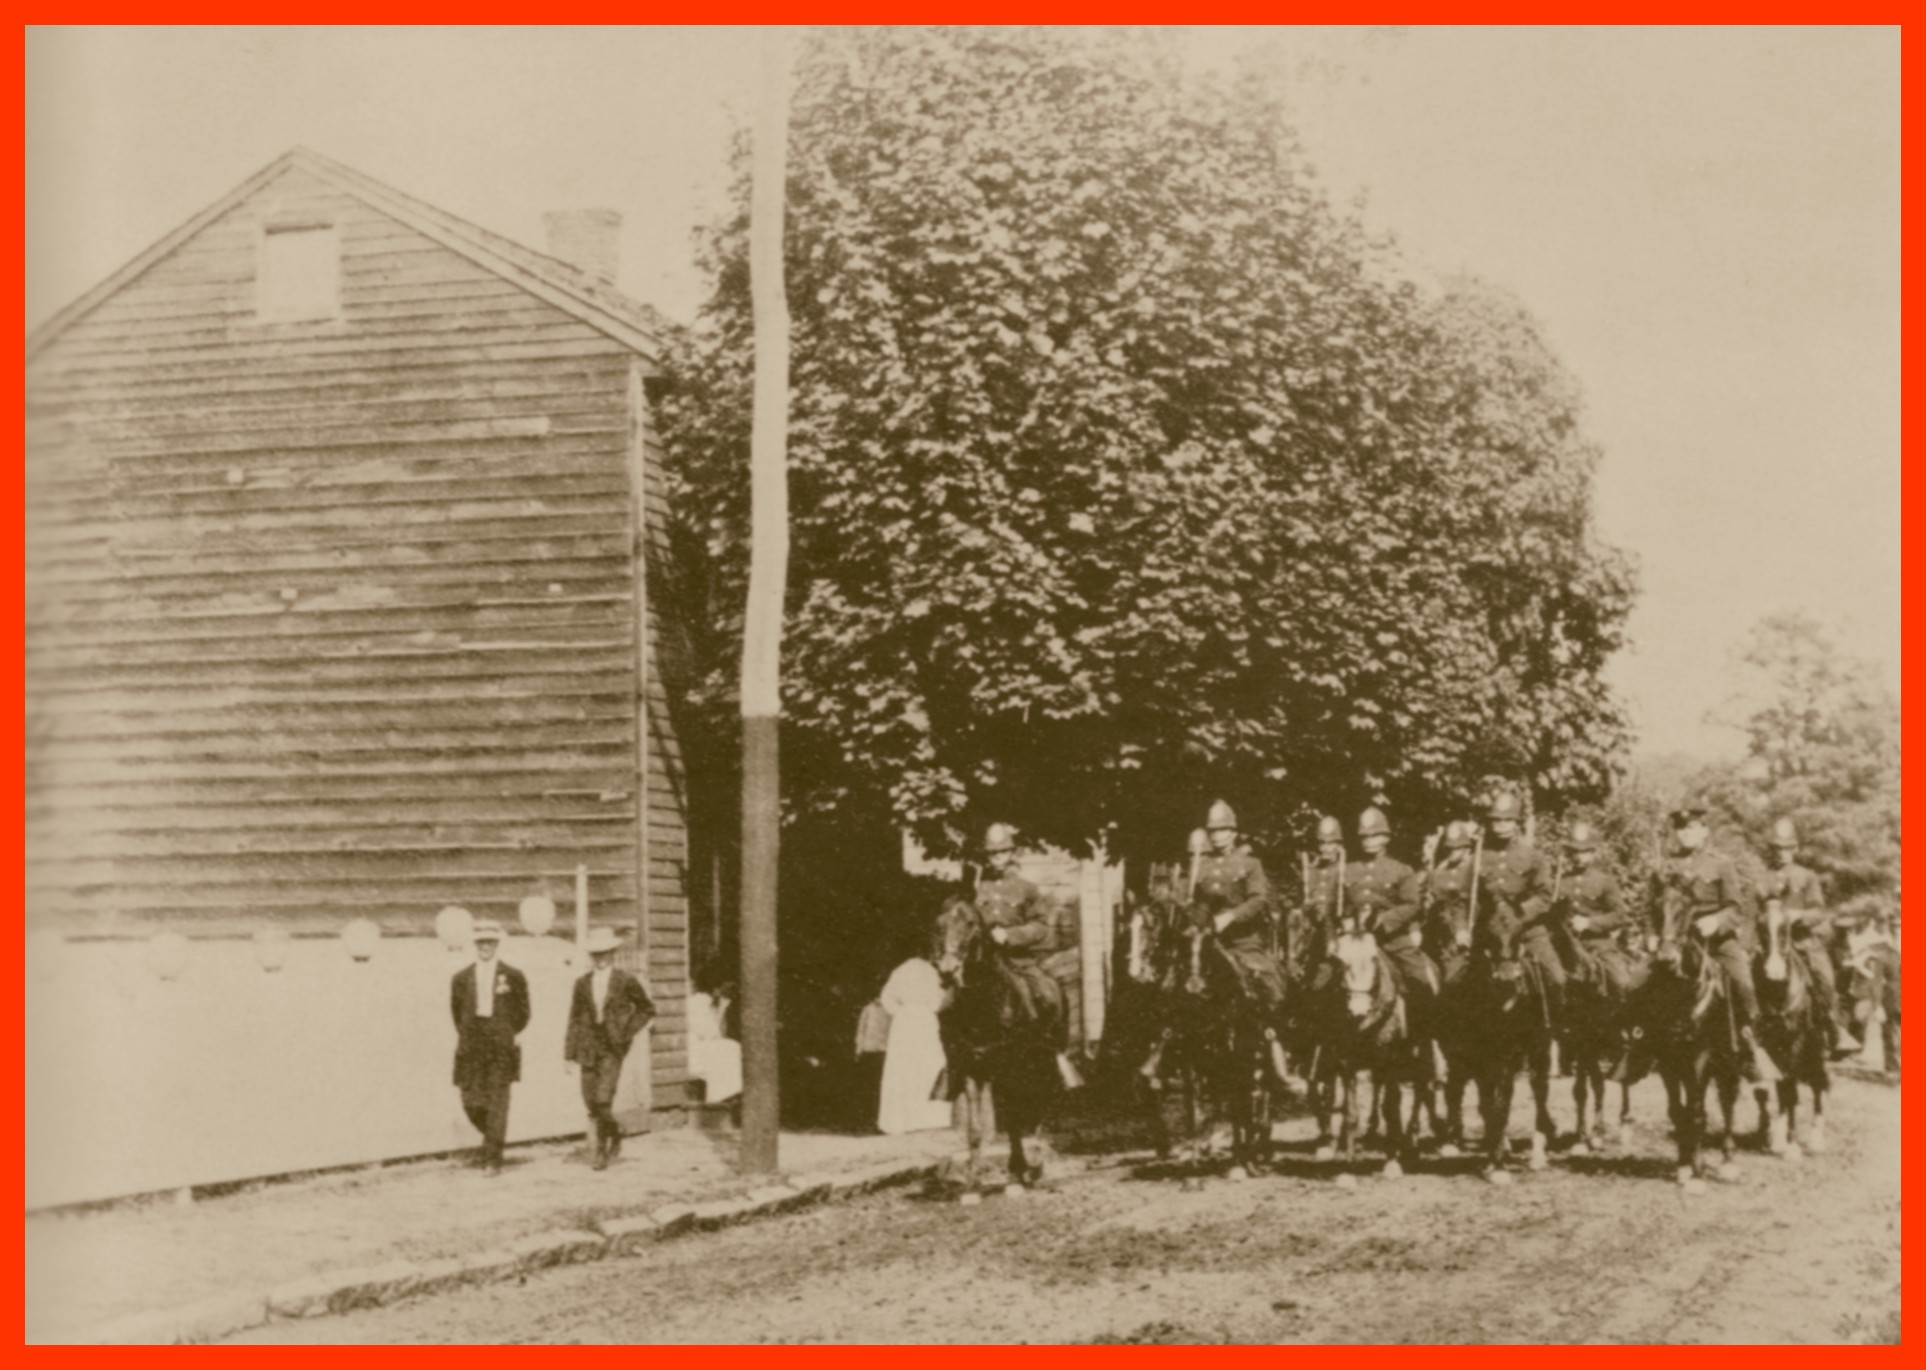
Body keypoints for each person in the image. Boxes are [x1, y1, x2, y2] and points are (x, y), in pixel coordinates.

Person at [1651, 805, 1775, 1082]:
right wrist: (1653, 934)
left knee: (1745, 985)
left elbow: (1736, 908)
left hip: (1718, 943)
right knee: (1638, 984)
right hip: (1676, 941)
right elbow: (1653, 907)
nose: (1686, 834)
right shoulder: (1666, 866)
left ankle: (1752, 1049)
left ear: (1704, 831)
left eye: (1692, 828)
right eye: (1681, 829)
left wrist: (1716, 922)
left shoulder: (1721, 864)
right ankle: (1637, 1047)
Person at [976, 822, 1080, 1085]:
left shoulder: (1027, 888)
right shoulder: (981, 888)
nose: (997, 858)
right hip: (984, 959)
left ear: (1012, 853)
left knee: (1048, 994)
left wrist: (1010, 936)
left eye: (1002, 852)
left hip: (1017, 959)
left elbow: (1041, 927)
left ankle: (1054, 1052)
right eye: (992, 853)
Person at [1758, 817, 1857, 1058]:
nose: (1782, 854)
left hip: (1803, 943)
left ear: (1795, 849)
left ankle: (1835, 1029)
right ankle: (1746, 1036)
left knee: (1825, 980)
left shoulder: (1807, 876)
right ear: (1772, 850)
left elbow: (1819, 911)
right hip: (1768, 944)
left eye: (1787, 848)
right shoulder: (1761, 879)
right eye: (1777, 849)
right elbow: (1751, 912)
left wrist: (1798, 914)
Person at [563, 926, 656, 1170]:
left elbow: (646, 1009)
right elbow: (574, 1018)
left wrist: (627, 1032)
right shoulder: (582, 983)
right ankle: (616, 1130)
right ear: (591, 956)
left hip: (613, 1047)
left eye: (605, 952)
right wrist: (569, 1054)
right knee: (590, 1100)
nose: (601, 957)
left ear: (613, 953)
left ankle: (600, 1152)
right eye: (596, 953)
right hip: (587, 1045)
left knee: (603, 1100)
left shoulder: (625, 980)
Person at [1191, 800, 1286, 1019]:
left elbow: (1258, 900)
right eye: (1212, 830)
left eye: (1222, 829)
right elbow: (1200, 904)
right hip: (1208, 940)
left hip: (1243, 941)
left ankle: (1273, 1034)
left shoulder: (1250, 864)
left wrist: (1231, 916)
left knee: (1268, 983)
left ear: (1234, 832)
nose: (1216, 835)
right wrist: (1197, 924)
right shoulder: (1202, 865)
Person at [1343, 806, 1438, 1027]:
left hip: (1391, 939)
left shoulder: (1401, 870)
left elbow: (1412, 904)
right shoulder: (1348, 869)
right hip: (1353, 940)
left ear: (1386, 837)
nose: (1369, 840)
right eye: (1364, 836)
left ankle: (1423, 1032)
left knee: (1421, 978)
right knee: (1322, 982)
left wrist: (1383, 921)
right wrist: (1347, 923)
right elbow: (1341, 905)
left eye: (1375, 835)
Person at [449, 920, 530, 1174]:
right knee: (471, 1102)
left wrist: (504, 1032)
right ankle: (494, 1140)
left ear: (497, 944)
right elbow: (456, 1013)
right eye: (481, 941)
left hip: (500, 1047)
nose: (485, 946)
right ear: (475, 944)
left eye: (490, 941)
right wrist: (471, 1035)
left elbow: (523, 1012)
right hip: (472, 1046)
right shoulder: (461, 978)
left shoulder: (513, 975)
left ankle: (492, 1158)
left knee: (497, 1101)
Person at [1554, 822, 1642, 999]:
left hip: (1598, 945)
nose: (1579, 856)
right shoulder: (1559, 882)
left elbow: (1620, 916)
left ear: (1593, 852)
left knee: (1622, 983)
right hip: (1565, 944)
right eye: (1575, 851)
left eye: (1584, 851)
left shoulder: (1605, 881)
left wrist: (1589, 923)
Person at [876, 941, 953, 1135]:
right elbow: (938, 1002)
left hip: (903, 1021)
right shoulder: (929, 972)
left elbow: (887, 998)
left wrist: (900, 1012)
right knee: (928, 1065)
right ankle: (918, 1118)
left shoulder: (899, 971)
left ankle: (896, 1120)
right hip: (924, 1019)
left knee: (900, 1069)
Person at [1421, 821, 1480, 991]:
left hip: (1469, 931)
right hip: (1443, 933)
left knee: (1454, 979)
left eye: (1457, 848)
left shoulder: (1474, 869)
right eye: (1449, 848)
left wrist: (1464, 928)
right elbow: (1433, 899)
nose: (1452, 852)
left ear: (1466, 848)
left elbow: (1476, 903)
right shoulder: (1440, 871)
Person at [687, 972, 742, 1105]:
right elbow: (707, 1031)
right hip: (693, 1043)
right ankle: (718, 1098)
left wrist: (723, 1006)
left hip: (705, 1041)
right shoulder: (699, 1001)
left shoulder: (717, 1002)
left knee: (731, 1046)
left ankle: (727, 1095)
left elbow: (718, 1031)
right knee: (727, 1048)